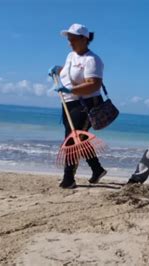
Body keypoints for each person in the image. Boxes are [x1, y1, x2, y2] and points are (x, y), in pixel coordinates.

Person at [48, 23, 107, 189]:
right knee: (79, 138)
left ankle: (69, 178)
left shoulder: (92, 60)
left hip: (86, 104)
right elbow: (68, 72)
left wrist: (71, 89)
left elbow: (94, 84)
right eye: (69, 39)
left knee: (72, 140)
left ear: (84, 39)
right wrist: (58, 69)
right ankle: (97, 169)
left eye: (73, 38)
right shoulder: (70, 56)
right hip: (68, 102)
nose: (70, 42)